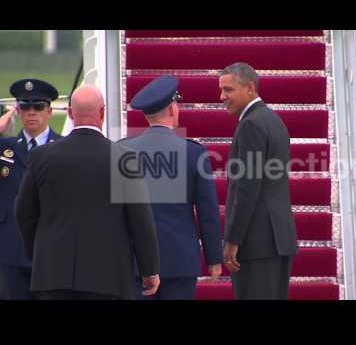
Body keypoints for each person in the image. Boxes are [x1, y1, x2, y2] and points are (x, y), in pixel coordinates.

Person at [15, 85, 160, 300]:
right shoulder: (123, 157)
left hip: (53, 275)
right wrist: (149, 269)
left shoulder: (41, 156)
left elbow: (24, 213)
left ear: (71, 113)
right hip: (107, 277)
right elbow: (140, 218)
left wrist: (39, 253)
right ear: (102, 112)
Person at [119, 75, 223, 300]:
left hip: (136, 262)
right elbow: (207, 212)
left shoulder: (123, 150)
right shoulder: (194, 152)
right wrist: (214, 258)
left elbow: (115, 209)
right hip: (180, 260)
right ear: (172, 108)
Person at [219, 62, 298, 299]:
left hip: (257, 242)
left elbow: (247, 188)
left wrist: (233, 239)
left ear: (250, 89)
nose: (222, 97)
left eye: (229, 90)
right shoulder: (273, 120)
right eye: (222, 90)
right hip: (276, 239)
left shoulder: (250, 125)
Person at [0, 79, 63, 300]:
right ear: (17, 110)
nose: (31, 113)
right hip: (10, 250)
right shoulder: (4, 148)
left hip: (50, 249)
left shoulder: (64, 148)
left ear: (49, 111)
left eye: (37, 107)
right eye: (25, 107)